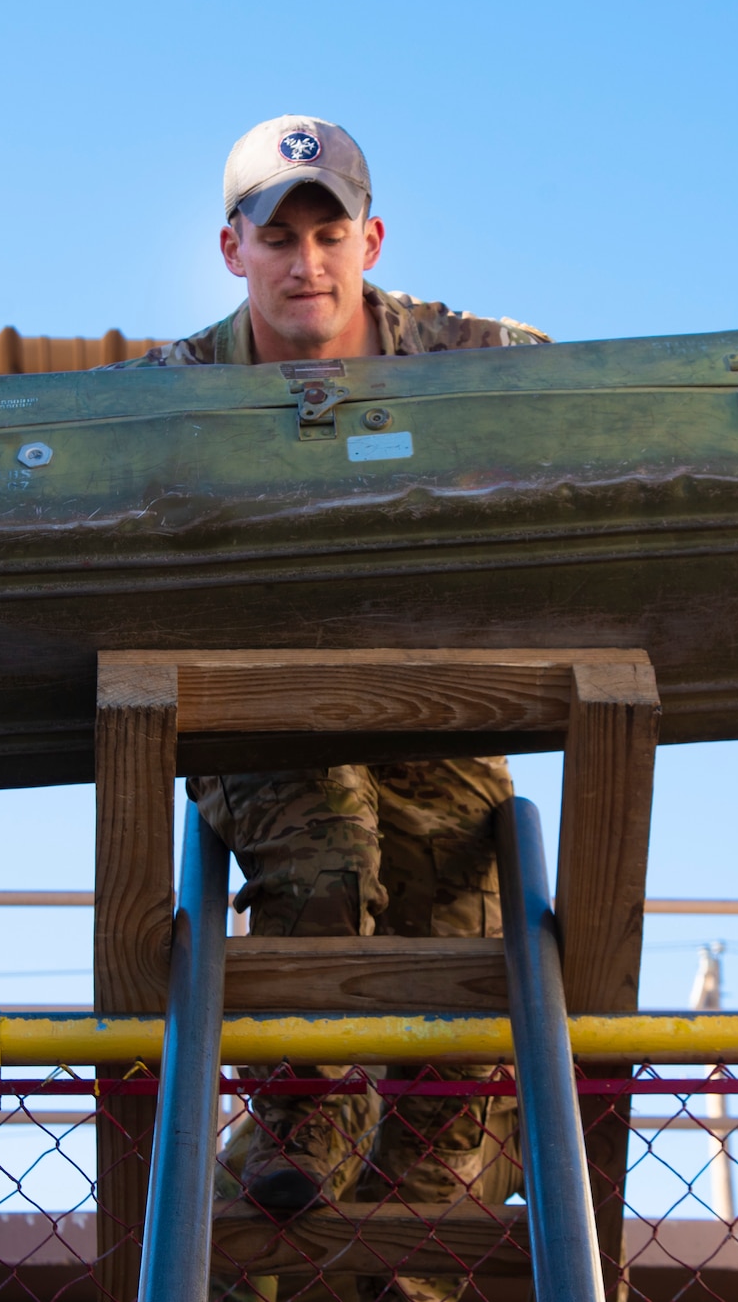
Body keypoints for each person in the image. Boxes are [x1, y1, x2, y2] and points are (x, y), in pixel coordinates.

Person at [110, 115, 546, 1291]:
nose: (305, 261)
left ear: (369, 239)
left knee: (463, 915)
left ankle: (394, 1233)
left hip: (425, 696)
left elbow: (583, 414)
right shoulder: (174, 391)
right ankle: (300, 1115)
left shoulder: (459, 350)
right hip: (257, 704)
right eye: (277, 236)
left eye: (327, 233)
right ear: (230, 250)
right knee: (327, 847)